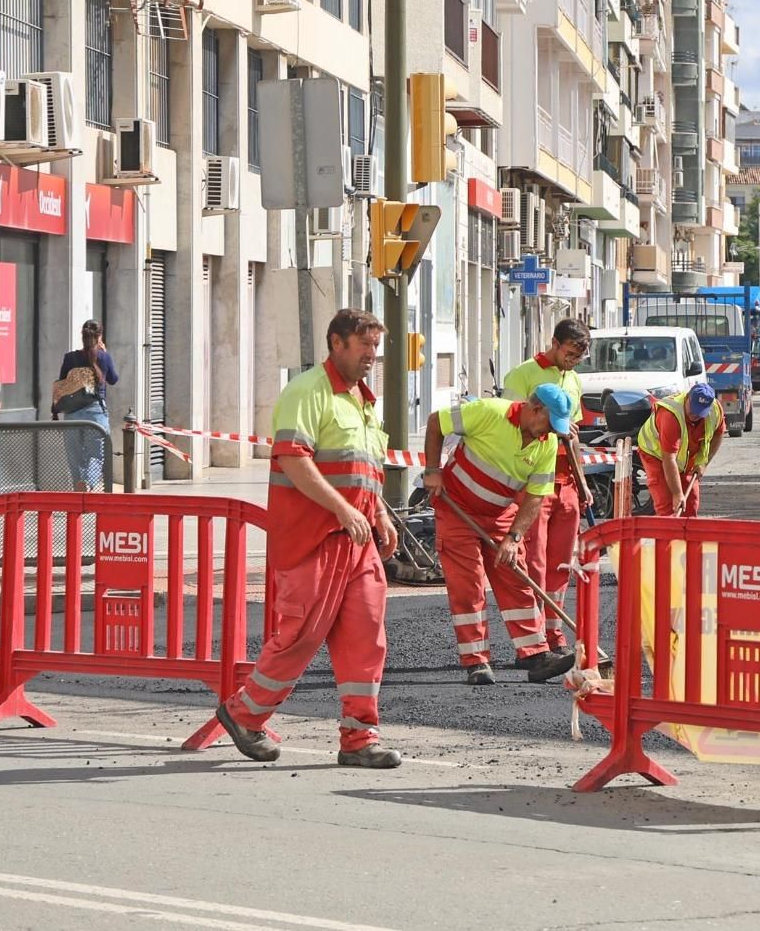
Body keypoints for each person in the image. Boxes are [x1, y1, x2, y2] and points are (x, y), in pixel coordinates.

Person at [215, 309, 401, 768]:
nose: (372, 357)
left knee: (366, 636)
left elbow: (360, 467)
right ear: (336, 343)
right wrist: (342, 508)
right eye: (364, 347)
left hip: (355, 540)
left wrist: (377, 510)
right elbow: (294, 459)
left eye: (376, 348)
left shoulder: (361, 398)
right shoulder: (307, 392)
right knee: (300, 637)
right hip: (314, 538)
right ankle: (244, 715)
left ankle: (360, 738)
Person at [421, 384, 577, 686]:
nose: (551, 432)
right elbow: (435, 422)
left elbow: (535, 497)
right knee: (469, 586)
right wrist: (432, 469)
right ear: (534, 409)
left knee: (517, 580)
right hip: (457, 510)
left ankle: (535, 654)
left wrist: (514, 537)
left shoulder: (545, 444)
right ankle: (476, 661)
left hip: (500, 515)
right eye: (549, 423)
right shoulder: (488, 412)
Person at [502, 318, 591, 652]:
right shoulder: (523, 375)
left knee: (560, 564)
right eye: (569, 353)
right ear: (554, 343)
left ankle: (555, 633)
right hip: (534, 481)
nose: (571, 362)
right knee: (534, 564)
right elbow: (509, 423)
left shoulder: (574, 380)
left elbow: (575, 438)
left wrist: (582, 484)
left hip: (566, 481)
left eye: (578, 358)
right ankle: (534, 637)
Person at [637, 381, 724, 517]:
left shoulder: (715, 410)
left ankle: (688, 537)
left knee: (690, 505)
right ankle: (668, 536)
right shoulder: (670, 416)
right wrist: (677, 494)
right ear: (687, 397)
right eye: (693, 409)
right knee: (668, 506)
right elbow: (669, 459)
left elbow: (718, 436)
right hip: (657, 455)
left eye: (700, 412)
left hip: (685, 459)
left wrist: (703, 464)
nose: (695, 415)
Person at [54, 320, 119, 492]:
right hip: (95, 413)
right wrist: (104, 352)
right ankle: (89, 483)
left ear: (82, 337)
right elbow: (113, 379)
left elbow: (62, 383)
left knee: (74, 454)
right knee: (96, 454)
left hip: (72, 413)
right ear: (99, 336)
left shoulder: (70, 358)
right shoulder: (103, 357)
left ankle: (78, 485)